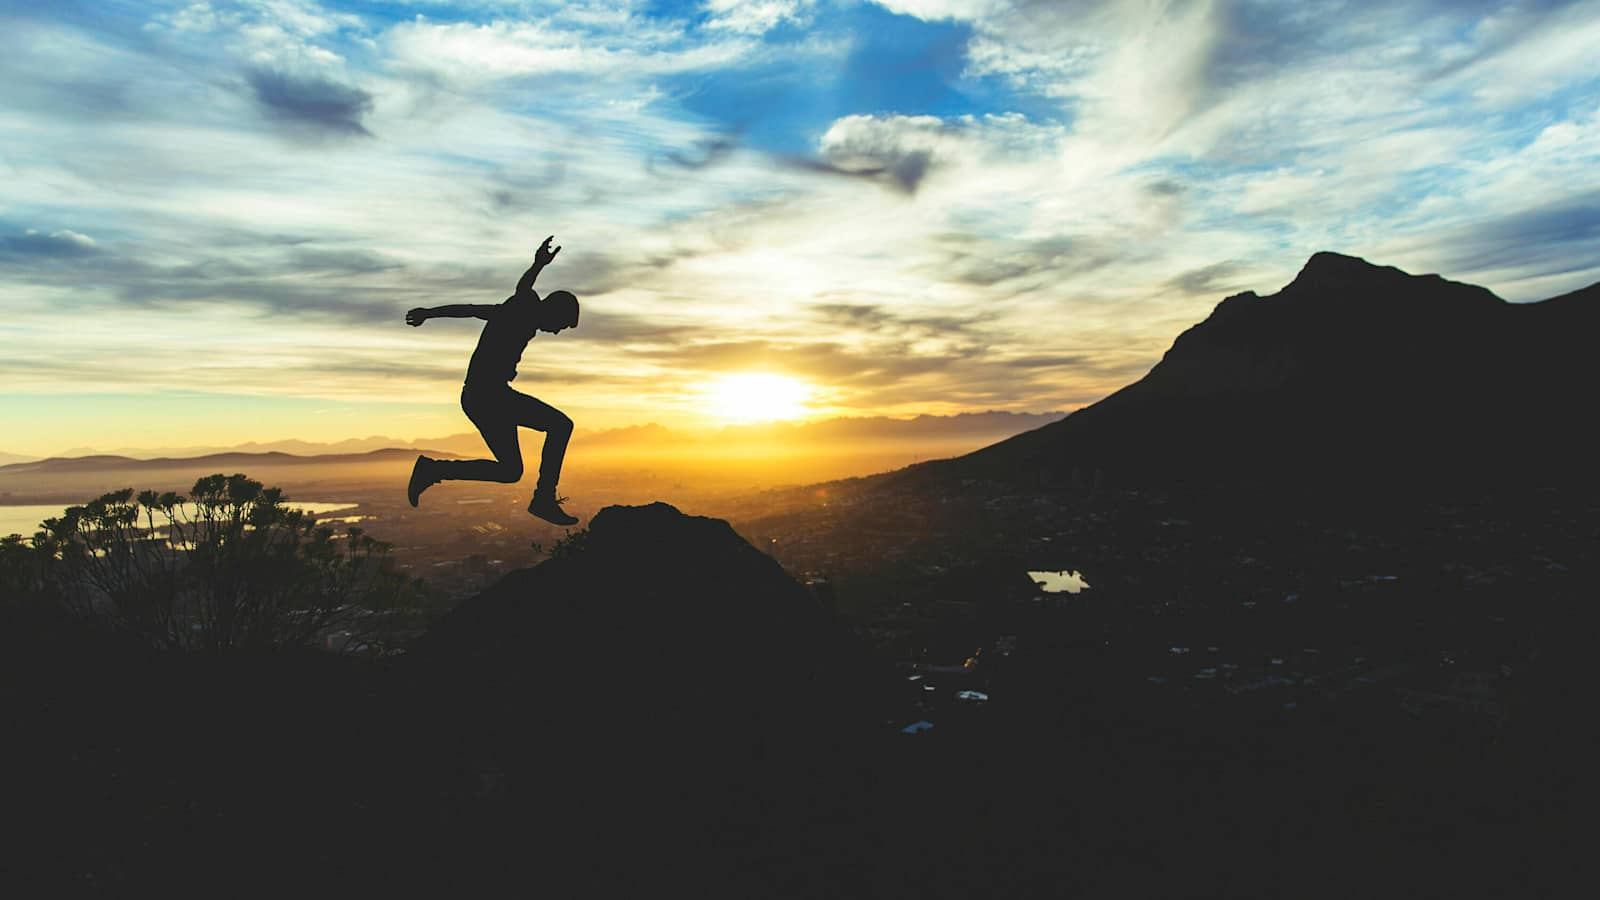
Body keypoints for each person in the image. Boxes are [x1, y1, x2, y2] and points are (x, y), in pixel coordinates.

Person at [404, 236, 580, 526]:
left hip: (484, 398)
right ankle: (543, 499)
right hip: (488, 397)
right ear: (554, 311)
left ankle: (431, 470)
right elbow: (484, 305)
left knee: (510, 471)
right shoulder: (522, 309)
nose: (558, 332)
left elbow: (500, 298)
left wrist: (537, 265)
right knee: (561, 425)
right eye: (561, 325)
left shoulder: (525, 314)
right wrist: (429, 313)